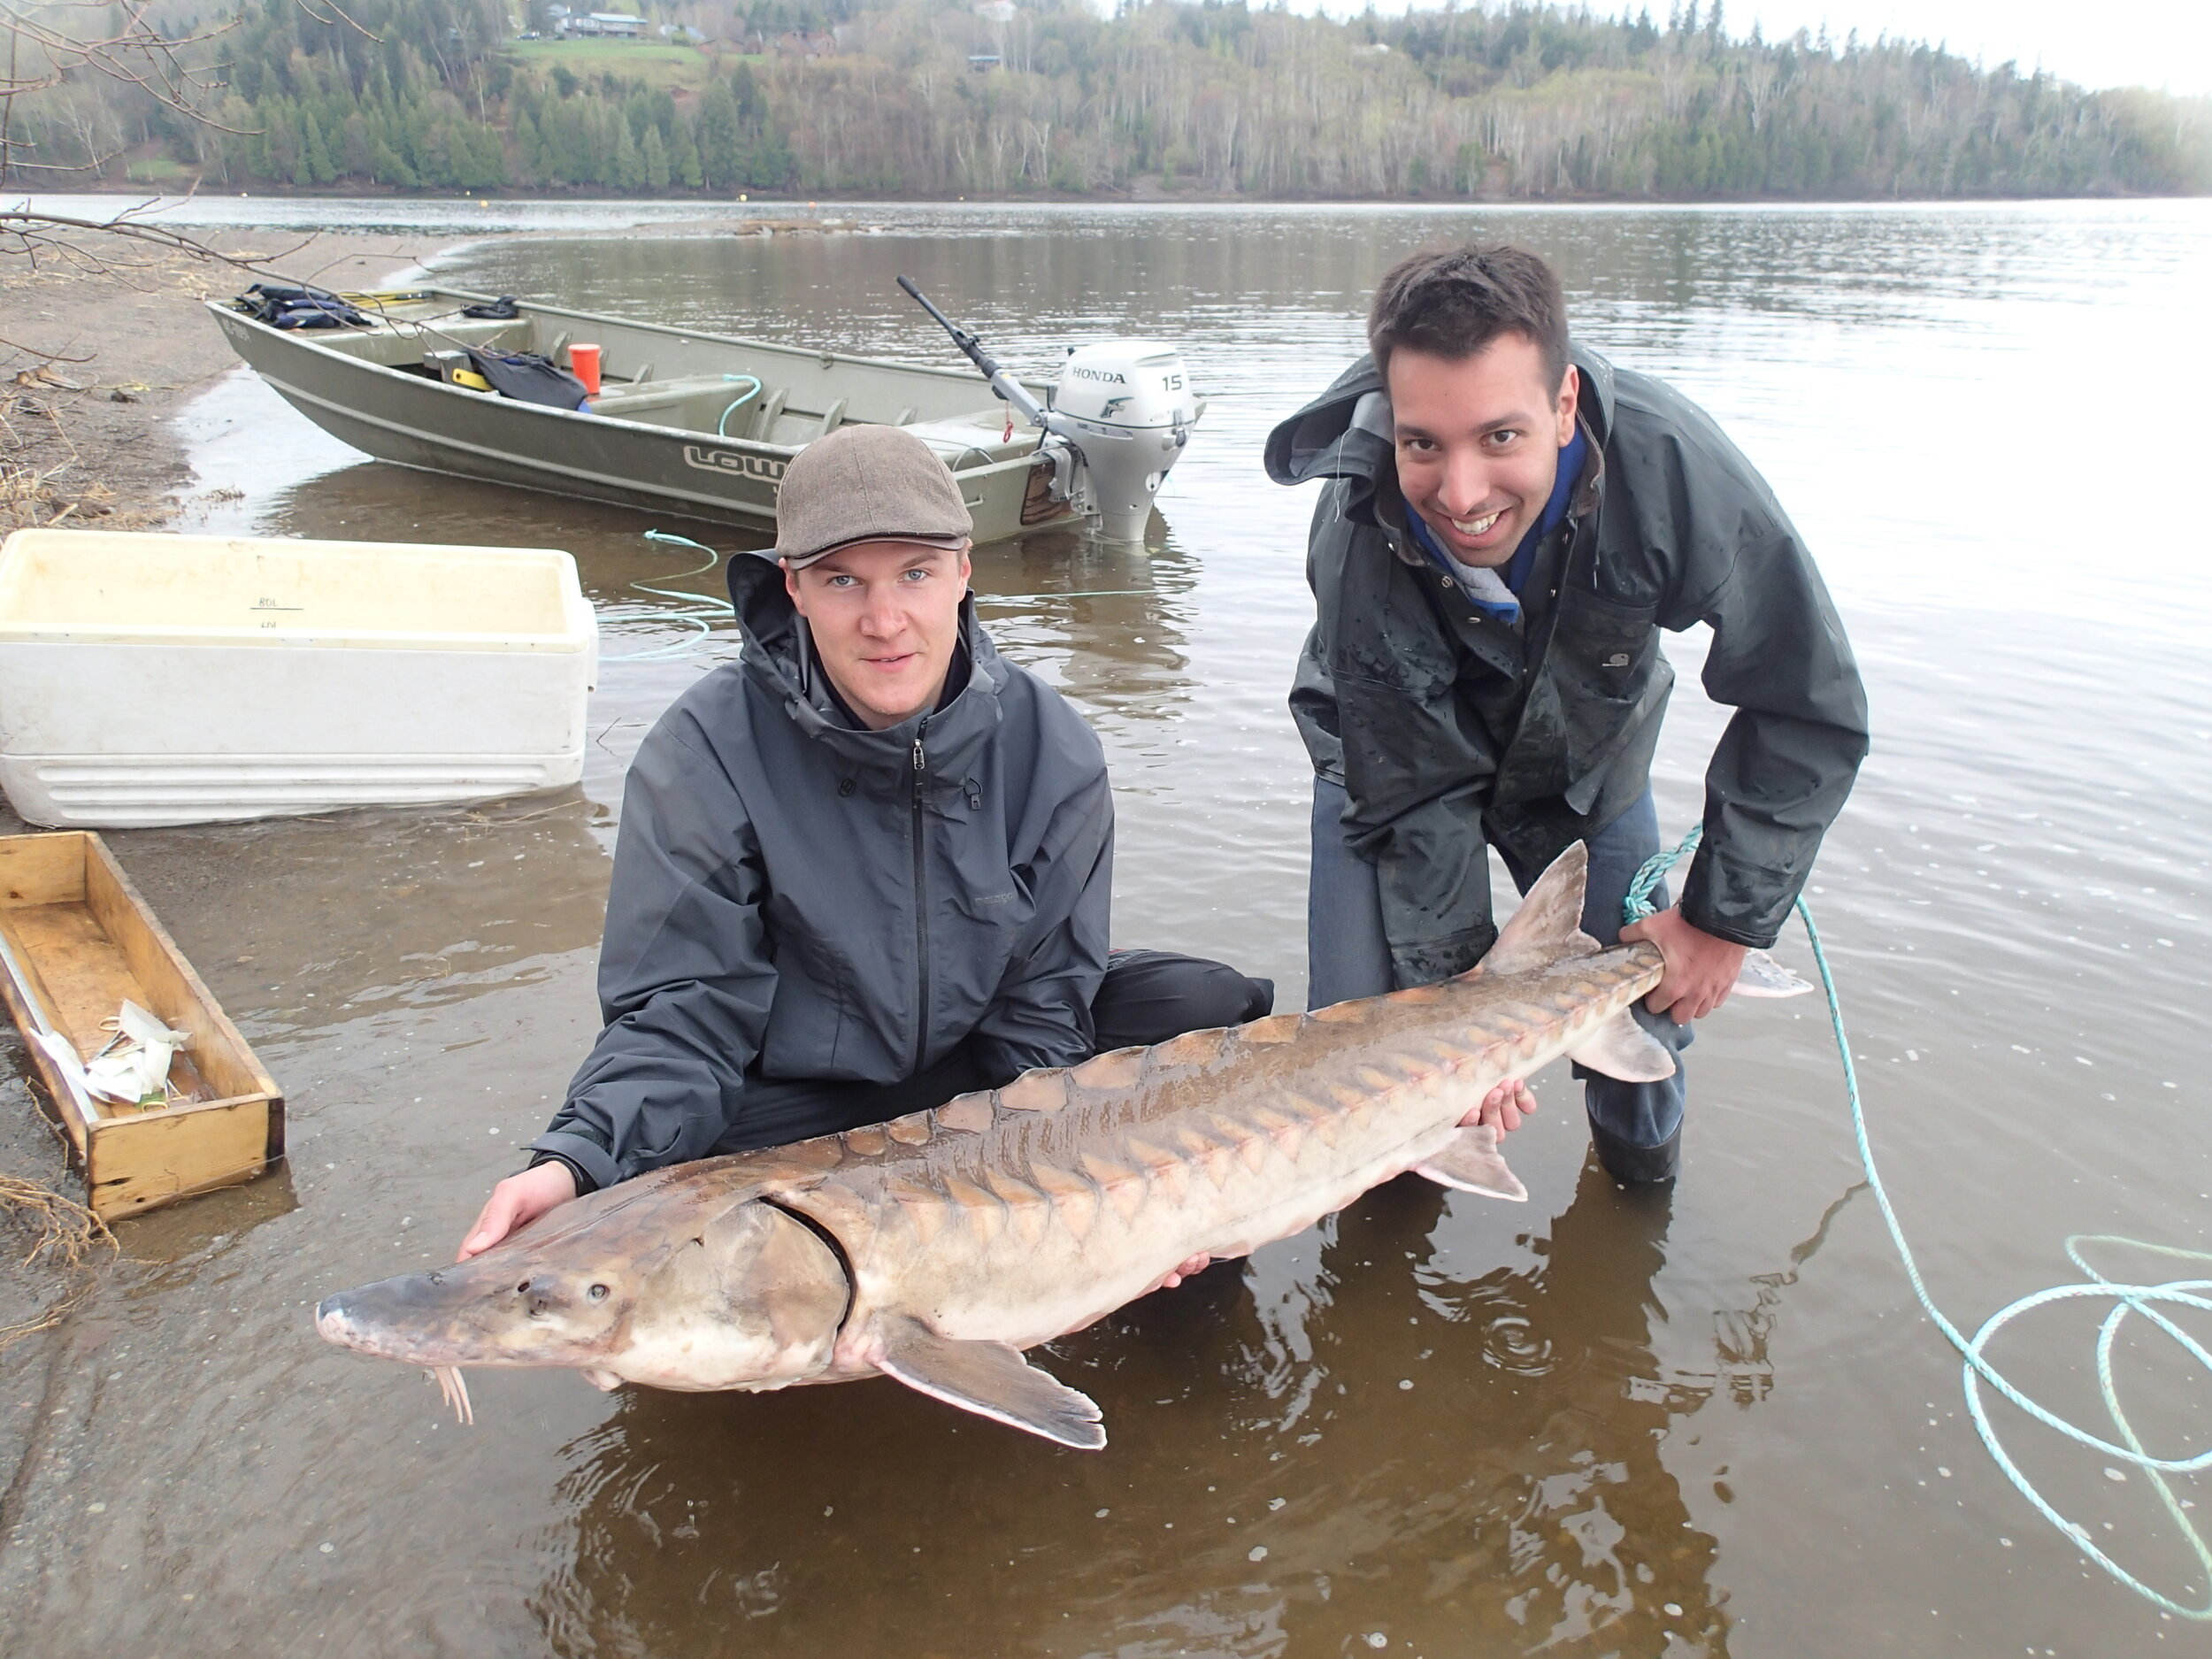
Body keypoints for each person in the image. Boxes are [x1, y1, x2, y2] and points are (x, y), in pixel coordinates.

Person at [459, 423, 1276, 1262]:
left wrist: (1072, 1199)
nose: (885, 621)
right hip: (800, 1094)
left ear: (963, 571)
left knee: (1202, 1007)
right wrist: (576, 1162)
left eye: (914, 574)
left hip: (977, 1066)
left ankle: (1173, 1292)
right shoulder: (702, 749)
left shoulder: (1050, 744)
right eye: (844, 580)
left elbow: (1043, 1006)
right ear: (795, 588)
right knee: (650, 1202)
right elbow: (683, 1012)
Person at [1267, 243, 1869, 1183]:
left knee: (1649, 1033)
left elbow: (1804, 700)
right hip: (1386, 767)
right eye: (1423, 442)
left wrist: (1723, 921)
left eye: (1499, 438)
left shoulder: (1671, 468)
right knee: (1365, 1073)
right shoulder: (1359, 523)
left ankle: (1637, 1205)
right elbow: (1414, 792)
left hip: (1584, 756)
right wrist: (1461, 1026)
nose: (1460, 495)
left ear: (1564, 405)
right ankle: (1386, 1225)